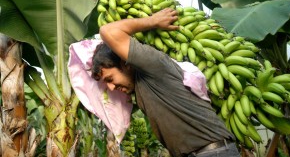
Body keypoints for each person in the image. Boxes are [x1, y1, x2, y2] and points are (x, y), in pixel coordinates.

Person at [91, 8, 240, 157]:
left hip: (214, 152)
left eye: (110, 79)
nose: (111, 87)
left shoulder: (152, 65)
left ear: (126, 63)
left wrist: (152, 21)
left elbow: (107, 31)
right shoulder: (140, 86)